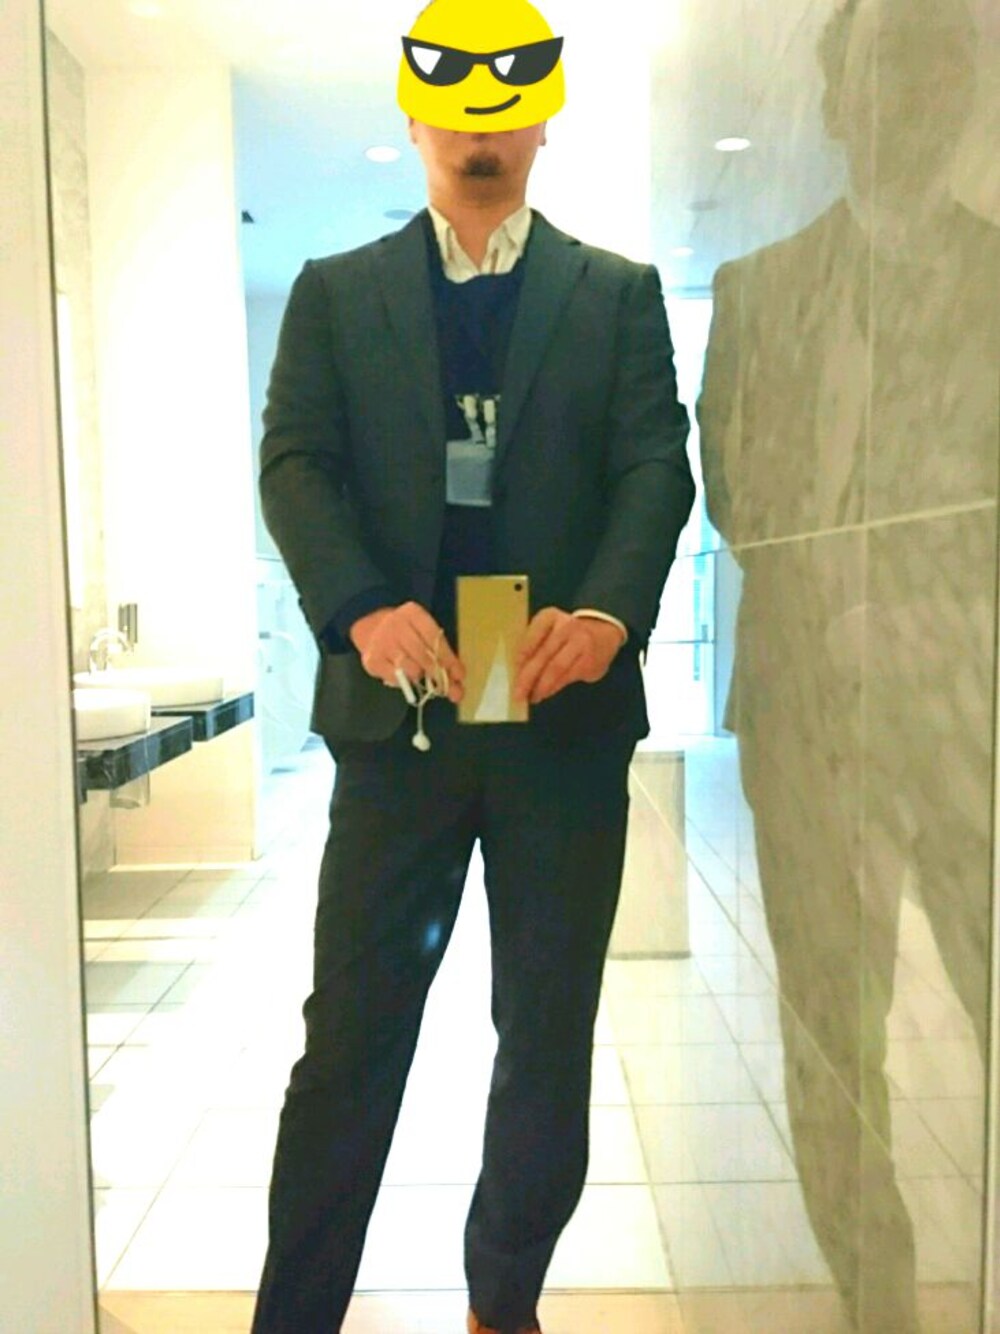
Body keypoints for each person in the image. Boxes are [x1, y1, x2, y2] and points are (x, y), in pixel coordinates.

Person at [248, 56, 694, 1334]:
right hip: (402, 717)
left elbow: (655, 467)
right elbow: (294, 461)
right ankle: (296, 1315)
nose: (477, 130)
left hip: (561, 717)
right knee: (350, 1040)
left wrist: (606, 615)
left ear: (543, 117)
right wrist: (357, 607)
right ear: (414, 115)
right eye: (452, 105)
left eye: (503, 105)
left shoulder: (615, 294)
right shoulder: (337, 293)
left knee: (545, 1037)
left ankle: (504, 1303)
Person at [698, 0, 999, 1328]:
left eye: (937, 66)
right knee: (830, 1041)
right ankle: (879, 1301)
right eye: (884, 67)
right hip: (808, 720)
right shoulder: (759, 294)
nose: (911, 95)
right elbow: (736, 494)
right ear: (832, 99)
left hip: (974, 720)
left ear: (967, 93)